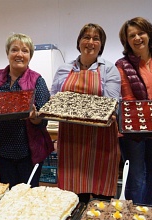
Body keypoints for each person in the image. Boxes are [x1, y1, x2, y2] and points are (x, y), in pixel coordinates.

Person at [51, 23, 121, 203]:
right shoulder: (64, 69)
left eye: (96, 39)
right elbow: (54, 99)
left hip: (101, 139)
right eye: (86, 37)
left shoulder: (109, 69)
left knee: (101, 196)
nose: (90, 42)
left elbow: (111, 103)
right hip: (71, 138)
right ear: (79, 42)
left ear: (101, 44)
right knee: (73, 196)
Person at [0, 33, 53, 189]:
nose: (19, 54)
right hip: (3, 148)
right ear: (7, 53)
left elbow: (43, 121)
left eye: (25, 50)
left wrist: (35, 117)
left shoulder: (37, 81)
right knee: (8, 194)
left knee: (28, 194)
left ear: (30, 56)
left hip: (28, 151)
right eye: (14, 50)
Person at [115, 17, 152, 205]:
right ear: (127, 41)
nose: (137, 38)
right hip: (134, 131)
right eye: (132, 35)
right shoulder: (122, 65)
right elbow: (128, 99)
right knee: (136, 179)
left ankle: (146, 211)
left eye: (141, 33)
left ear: (149, 34)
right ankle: (134, 216)